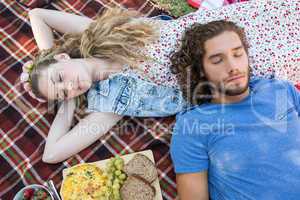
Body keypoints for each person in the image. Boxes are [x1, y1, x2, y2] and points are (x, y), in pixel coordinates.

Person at [23, 0, 299, 163]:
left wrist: (42, 57)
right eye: (62, 93)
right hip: (231, 66)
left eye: (60, 78)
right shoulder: (108, 105)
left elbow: (38, 15)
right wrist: (67, 103)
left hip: (222, 30)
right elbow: (52, 154)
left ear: (62, 57)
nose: (69, 87)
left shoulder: (97, 39)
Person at [170, 20, 300, 199]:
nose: (232, 67)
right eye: (217, 60)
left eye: (238, 54)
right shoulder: (193, 124)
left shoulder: (279, 89)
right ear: (200, 70)